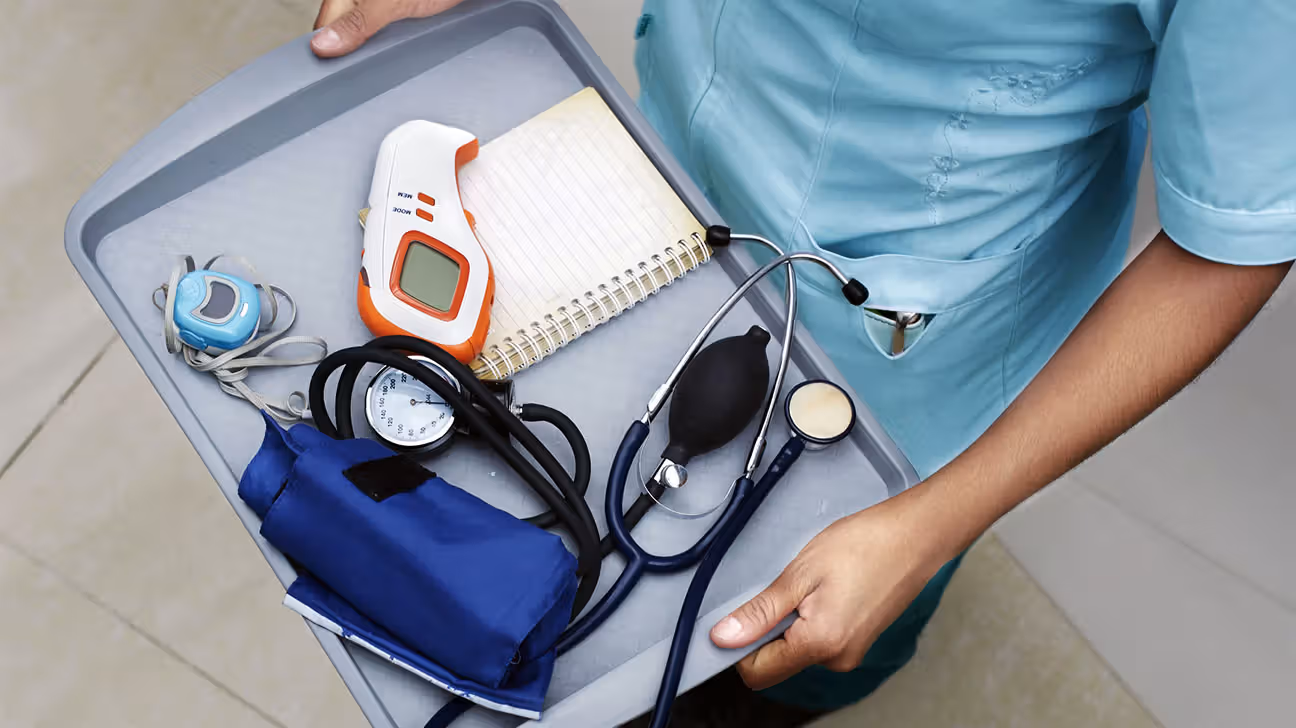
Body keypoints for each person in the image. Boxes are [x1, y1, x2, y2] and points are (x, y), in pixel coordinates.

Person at [312, 0, 1295, 724]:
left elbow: (1230, 248)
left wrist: (928, 520)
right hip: (661, 163)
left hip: (905, 346)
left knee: (766, 655)